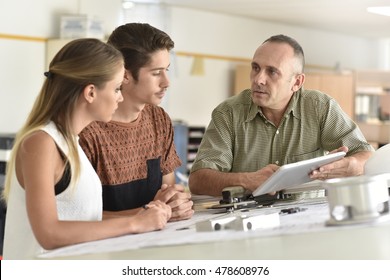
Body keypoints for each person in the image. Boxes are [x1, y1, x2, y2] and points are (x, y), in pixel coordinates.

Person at [2, 38, 171, 259]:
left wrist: (147, 213)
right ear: (90, 92)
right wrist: (134, 223)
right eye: (117, 88)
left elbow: (84, 218)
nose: (120, 97)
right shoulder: (42, 143)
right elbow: (49, 234)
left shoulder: (71, 142)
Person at [188, 34, 374, 197]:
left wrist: (352, 165)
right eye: (255, 68)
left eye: (272, 72)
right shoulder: (228, 113)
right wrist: (248, 180)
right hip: (245, 221)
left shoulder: (320, 107)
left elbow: (365, 154)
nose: (259, 79)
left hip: (306, 222)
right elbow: (198, 181)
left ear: (297, 82)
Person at [79, 23, 194, 222]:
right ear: (125, 75)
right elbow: (75, 219)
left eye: (166, 70)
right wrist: (144, 215)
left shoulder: (159, 120)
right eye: (157, 73)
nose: (167, 82)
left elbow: (168, 196)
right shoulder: (87, 129)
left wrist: (176, 204)